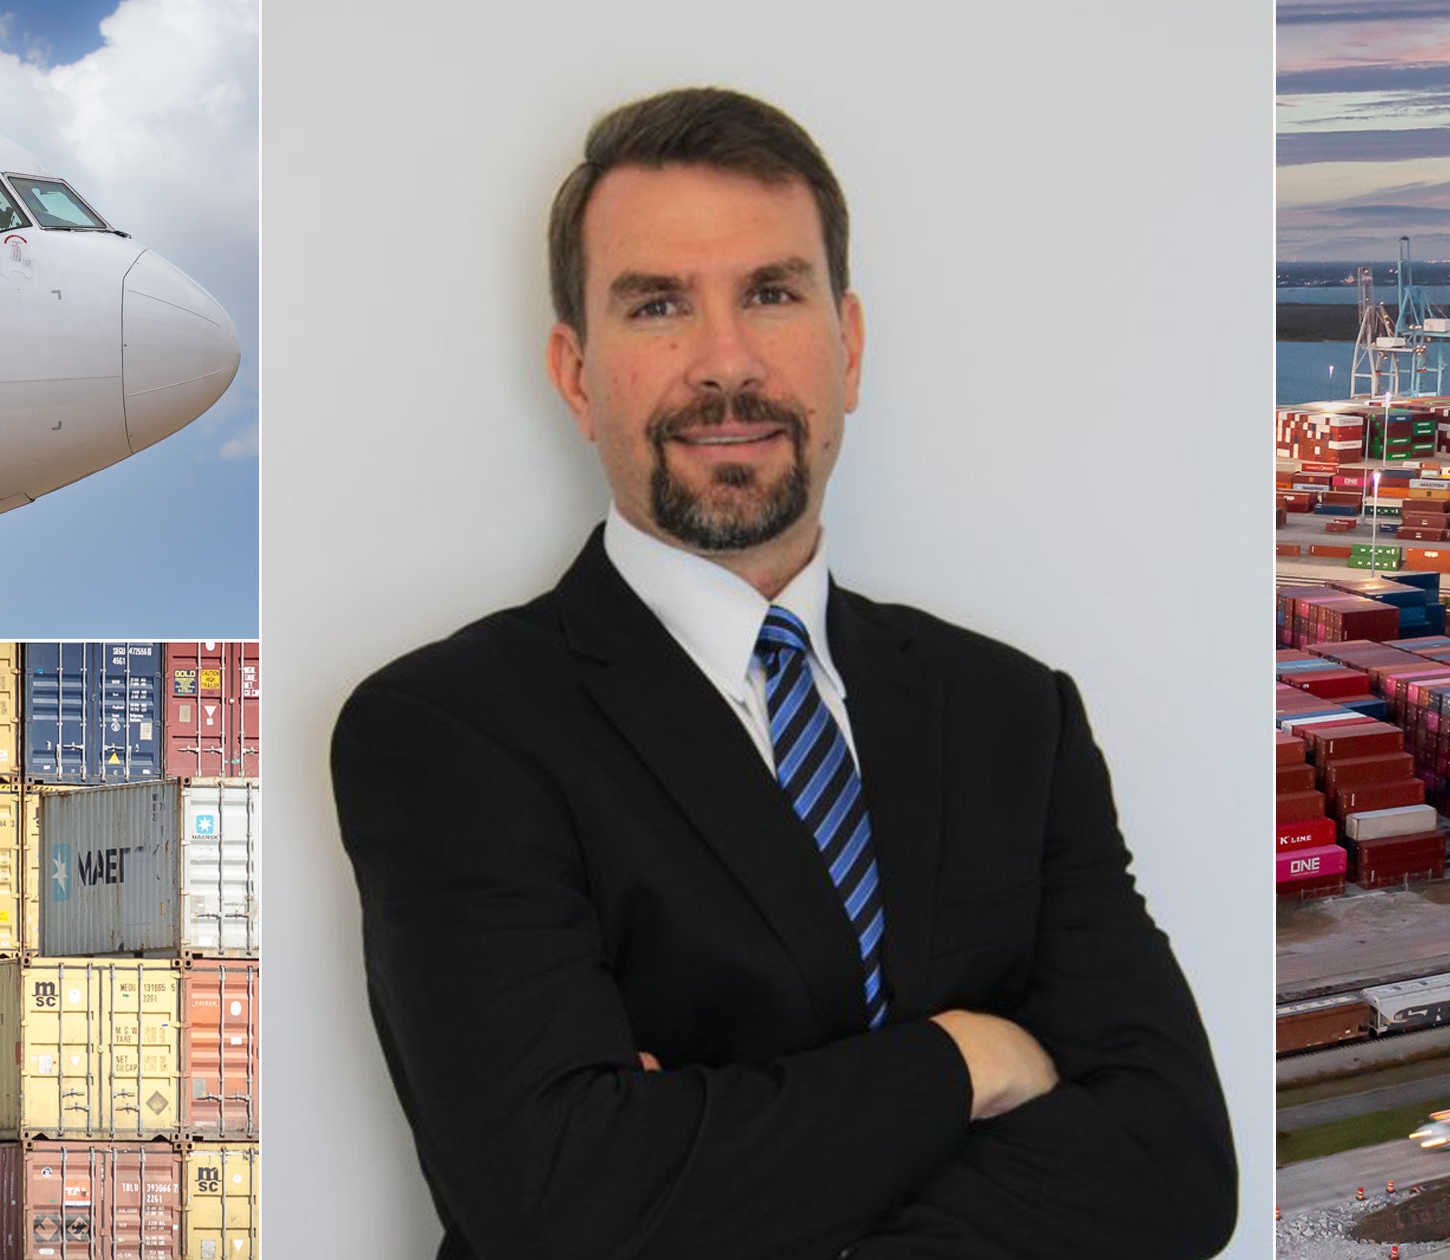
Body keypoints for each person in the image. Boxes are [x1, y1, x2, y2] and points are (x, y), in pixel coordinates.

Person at [331, 87, 1236, 1260]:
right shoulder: (447, 732)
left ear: (846, 347)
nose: (725, 362)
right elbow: (560, 1199)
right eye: (657, 304)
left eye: (771, 292)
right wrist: (965, 1059)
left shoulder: (1014, 714)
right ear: (574, 372)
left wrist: (705, 1163)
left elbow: (1173, 1166)